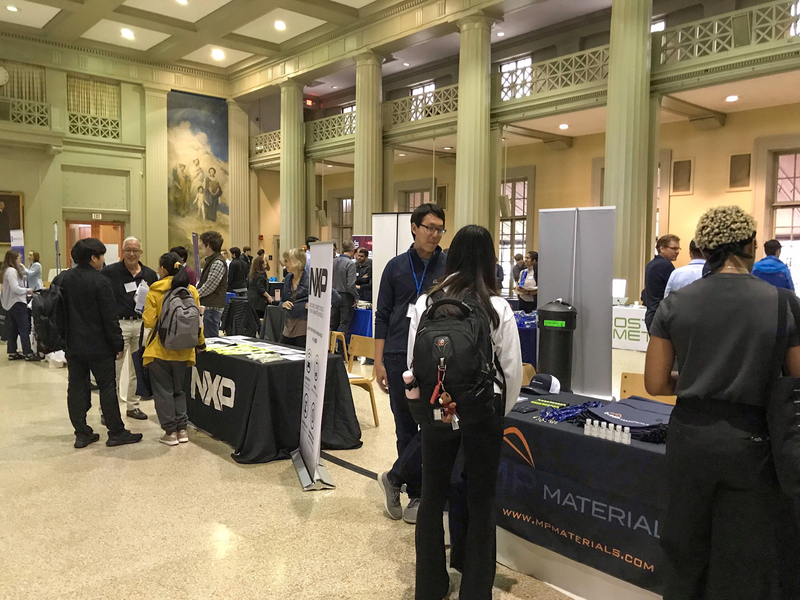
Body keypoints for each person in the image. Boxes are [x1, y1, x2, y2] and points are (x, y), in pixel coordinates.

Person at [644, 205, 800, 599]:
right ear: (751, 245)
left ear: (704, 247)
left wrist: (698, 375)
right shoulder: (783, 304)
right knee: (745, 558)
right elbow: (797, 380)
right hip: (753, 443)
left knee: (683, 550)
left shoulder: (675, 304)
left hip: (689, 438)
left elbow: (655, 382)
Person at [408, 225, 522, 600]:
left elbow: (414, 363)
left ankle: (430, 585)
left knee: (433, 495)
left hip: (438, 410)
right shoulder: (497, 307)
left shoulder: (427, 302)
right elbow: (511, 373)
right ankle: (475, 590)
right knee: (481, 499)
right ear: (490, 259)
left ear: (453, 255)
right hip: (481, 413)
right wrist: (494, 415)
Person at [376, 203, 448, 525]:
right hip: (395, 356)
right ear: (414, 228)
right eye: (429, 227)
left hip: (433, 356)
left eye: (439, 229)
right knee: (404, 425)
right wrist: (378, 362)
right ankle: (415, 492)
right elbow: (381, 317)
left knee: (433, 424)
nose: (434, 234)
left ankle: (395, 477)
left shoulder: (448, 267)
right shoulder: (394, 268)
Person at [53, 239, 143, 448]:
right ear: (93, 258)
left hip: (73, 345)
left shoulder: (62, 279)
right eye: (101, 256)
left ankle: (82, 432)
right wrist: (118, 344)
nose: (103, 261)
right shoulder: (100, 282)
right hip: (99, 346)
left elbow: (56, 313)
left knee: (75, 387)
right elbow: (109, 317)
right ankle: (116, 432)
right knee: (107, 387)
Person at [142, 252, 205, 446]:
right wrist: (201, 343)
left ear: (163, 269)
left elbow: (149, 321)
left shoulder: (155, 289)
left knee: (163, 392)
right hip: (185, 350)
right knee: (179, 390)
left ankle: (170, 433)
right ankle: (182, 430)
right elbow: (197, 323)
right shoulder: (191, 290)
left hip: (159, 350)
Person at [101, 236, 157, 421]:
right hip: (119, 325)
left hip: (141, 325)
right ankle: (107, 410)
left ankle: (133, 406)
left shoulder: (149, 274)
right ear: (122, 252)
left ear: (141, 252)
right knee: (113, 369)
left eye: (135, 250)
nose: (132, 254)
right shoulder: (110, 272)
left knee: (136, 368)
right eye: (128, 250)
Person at [1, 250, 36, 361]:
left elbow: (25, 275)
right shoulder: (11, 271)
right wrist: (27, 291)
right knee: (24, 327)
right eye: (19, 258)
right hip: (17, 302)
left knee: (13, 328)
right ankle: (27, 352)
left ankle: (12, 351)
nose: (21, 260)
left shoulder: (9, 270)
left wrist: (21, 267)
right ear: (13, 259)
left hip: (10, 303)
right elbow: (15, 288)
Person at [644, 234, 680, 331]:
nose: (677, 252)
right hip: (661, 316)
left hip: (652, 314)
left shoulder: (651, 264)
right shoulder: (665, 265)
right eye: (674, 248)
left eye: (678, 248)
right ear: (662, 248)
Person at [196, 231, 228, 339]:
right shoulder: (212, 261)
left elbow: (209, 286)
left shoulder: (217, 262)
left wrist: (194, 294)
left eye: (202, 243)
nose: (200, 246)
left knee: (211, 342)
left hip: (212, 308)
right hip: (208, 307)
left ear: (208, 245)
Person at [331, 240, 358, 354]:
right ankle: (343, 352)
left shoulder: (332, 261)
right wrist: (356, 296)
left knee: (332, 324)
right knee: (344, 324)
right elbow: (350, 284)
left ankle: (329, 349)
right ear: (352, 251)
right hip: (345, 297)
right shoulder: (350, 264)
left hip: (332, 295)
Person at [279, 249, 309, 348]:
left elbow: (332, 297)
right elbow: (282, 301)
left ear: (296, 262)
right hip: (289, 324)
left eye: (287, 261)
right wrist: (283, 304)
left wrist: (310, 305)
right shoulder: (288, 278)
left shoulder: (310, 280)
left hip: (304, 325)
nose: (284, 264)